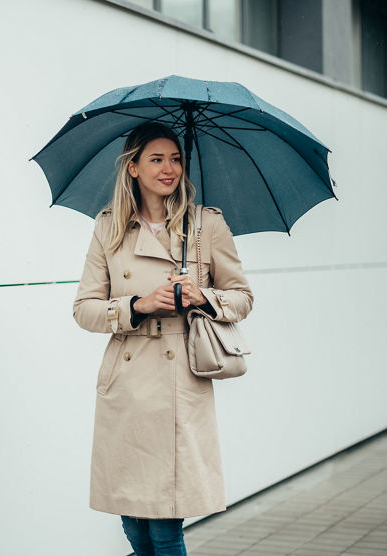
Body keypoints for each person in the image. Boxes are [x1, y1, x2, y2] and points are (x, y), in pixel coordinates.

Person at [73, 122, 253, 555]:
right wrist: (137, 305)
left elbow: (242, 297)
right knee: (134, 523)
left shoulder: (204, 226)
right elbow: (84, 309)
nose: (169, 168)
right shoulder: (109, 228)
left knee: (165, 528)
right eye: (156, 159)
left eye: (176, 158)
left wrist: (203, 297)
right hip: (126, 387)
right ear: (132, 167)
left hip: (179, 388)